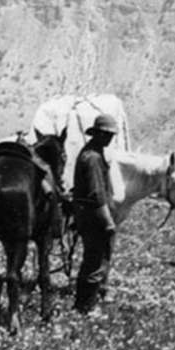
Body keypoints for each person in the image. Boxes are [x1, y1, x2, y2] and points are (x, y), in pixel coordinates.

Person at [72, 113, 119, 315]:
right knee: (95, 261)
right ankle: (87, 307)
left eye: (111, 134)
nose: (109, 138)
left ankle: (83, 303)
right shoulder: (92, 158)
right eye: (106, 134)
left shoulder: (94, 153)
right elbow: (96, 194)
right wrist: (108, 222)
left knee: (92, 260)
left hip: (89, 216)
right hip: (94, 218)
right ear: (97, 133)